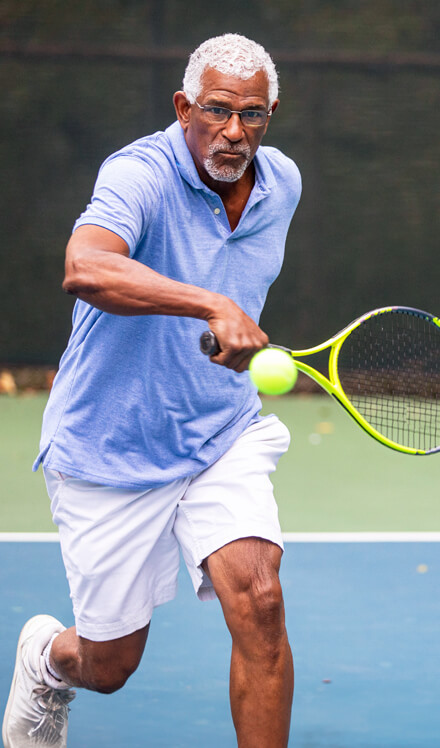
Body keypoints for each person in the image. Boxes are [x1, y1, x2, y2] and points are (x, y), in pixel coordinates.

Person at [2, 33, 301, 748]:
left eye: (253, 114)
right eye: (218, 110)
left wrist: (220, 338)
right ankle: (46, 661)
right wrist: (210, 306)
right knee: (109, 665)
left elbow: (229, 301)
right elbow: (86, 266)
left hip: (219, 433)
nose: (235, 131)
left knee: (260, 602)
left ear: (272, 115)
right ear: (183, 106)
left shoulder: (281, 183)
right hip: (111, 448)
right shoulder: (139, 174)